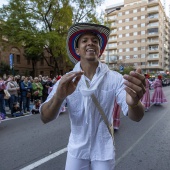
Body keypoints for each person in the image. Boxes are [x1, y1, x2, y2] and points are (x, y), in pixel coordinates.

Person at [40, 23, 145, 170]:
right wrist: (59, 97)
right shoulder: (66, 80)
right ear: (77, 50)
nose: (90, 43)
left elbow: (137, 116)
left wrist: (134, 102)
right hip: (76, 151)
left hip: (104, 151)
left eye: (95, 41)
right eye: (84, 40)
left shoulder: (115, 78)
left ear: (100, 49)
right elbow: (45, 117)